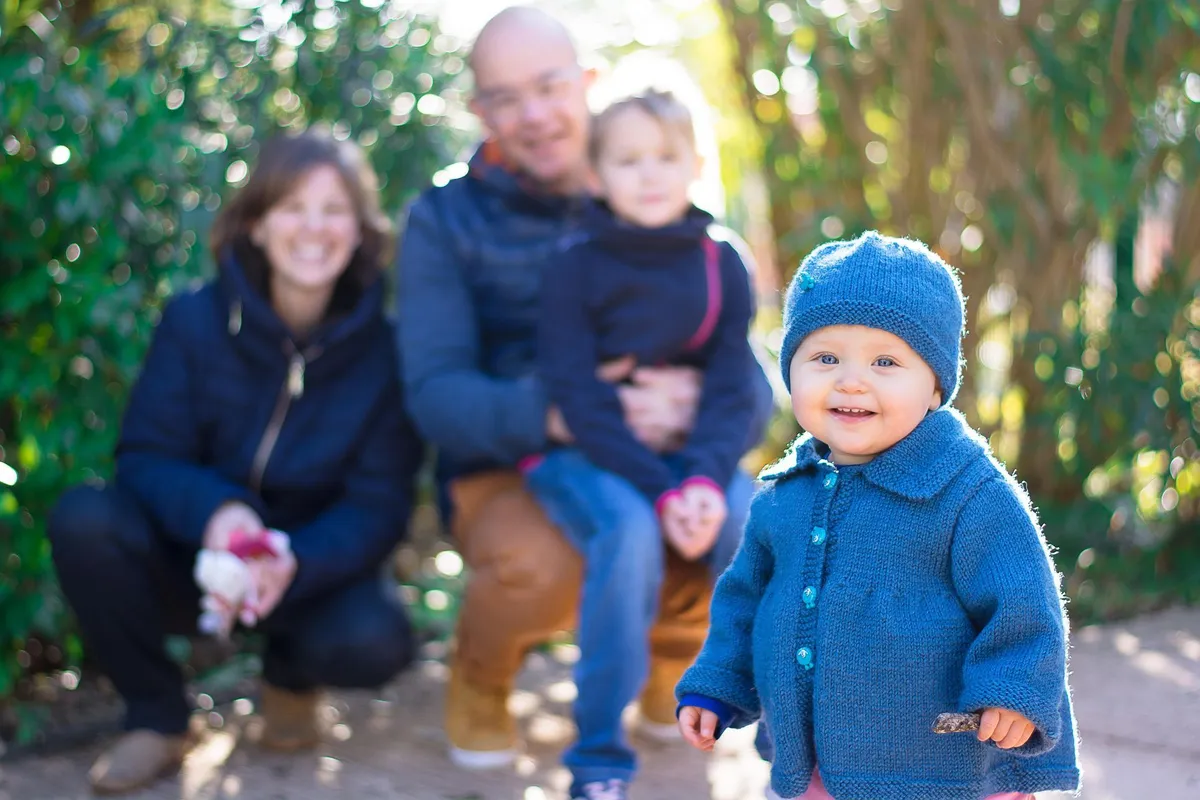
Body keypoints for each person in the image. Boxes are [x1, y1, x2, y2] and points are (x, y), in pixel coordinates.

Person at [396, 5, 774, 773]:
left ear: (586, 82)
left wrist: (695, 424)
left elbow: (740, 363)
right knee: (575, 548)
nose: (533, 114)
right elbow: (435, 395)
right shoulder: (444, 218)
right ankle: (481, 671)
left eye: (549, 85)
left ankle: (678, 659)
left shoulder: (653, 171)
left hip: (667, 446)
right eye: (505, 97)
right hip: (514, 460)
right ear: (479, 111)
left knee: (739, 519)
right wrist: (561, 414)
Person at [47, 129, 424, 795]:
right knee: (84, 519)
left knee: (377, 639)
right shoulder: (194, 320)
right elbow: (144, 457)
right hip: (193, 558)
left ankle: (289, 677)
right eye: (292, 207)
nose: (314, 229)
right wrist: (219, 513)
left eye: (334, 210)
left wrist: (292, 559)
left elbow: (379, 506)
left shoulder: (386, 352)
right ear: (255, 223)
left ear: (361, 231)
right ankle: (159, 719)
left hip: (301, 573)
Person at [675, 232, 1082, 800]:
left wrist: (1014, 688)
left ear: (936, 384)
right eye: (824, 358)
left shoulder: (966, 491)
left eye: (886, 361)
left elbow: (1024, 602)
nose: (850, 380)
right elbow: (745, 600)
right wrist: (717, 685)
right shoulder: (784, 495)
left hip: (943, 766)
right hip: (814, 764)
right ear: (791, 371)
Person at [519, 88, 759, 799]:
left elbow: (733, 390)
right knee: (627, 534)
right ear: (595, 175)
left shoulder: (723, 263)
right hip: (585, 458)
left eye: (665, 157)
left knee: (759, 527)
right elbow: (579, 400)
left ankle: (786, 734)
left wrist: (706, 483)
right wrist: (662, 492)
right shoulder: (574, 264)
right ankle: (598, 756)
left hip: (695, 461)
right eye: (628, 160)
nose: (650, 174)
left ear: (694, 164)